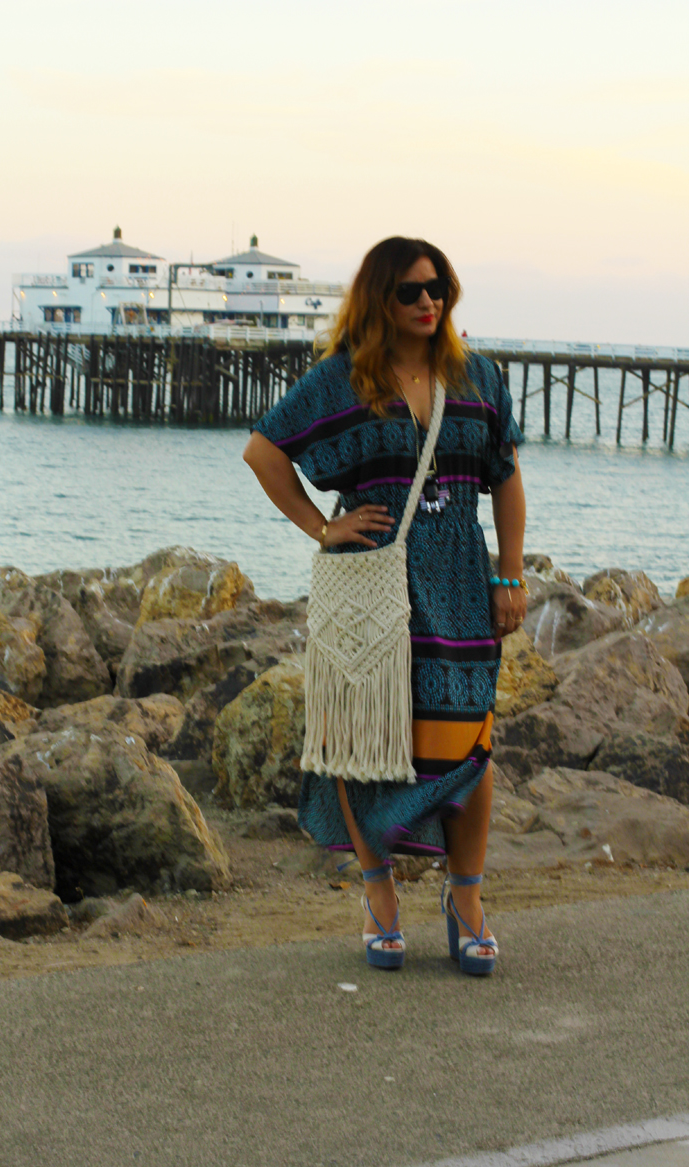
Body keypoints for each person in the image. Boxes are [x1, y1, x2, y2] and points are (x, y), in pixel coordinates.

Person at [243, 236, 526, 975]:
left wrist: (512, 576)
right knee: (361, 738)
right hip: (369, 585)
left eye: (438, 288)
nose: (429, 301)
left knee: (470, 742)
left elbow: (506, 478)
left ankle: (466, 898)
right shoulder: (341, 381)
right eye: (410, 291)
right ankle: (379, 892)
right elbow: (264, 452)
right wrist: (322, 525)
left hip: (462, 582)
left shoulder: (479, 378)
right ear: (380, 300)